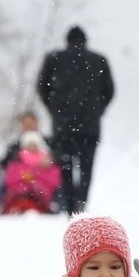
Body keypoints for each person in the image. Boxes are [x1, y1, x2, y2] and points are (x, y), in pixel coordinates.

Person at [37, 26, 115, 214]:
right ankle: (82, 201)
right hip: (90, 126)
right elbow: (109, 91)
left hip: (63, 126)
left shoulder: (54, 59)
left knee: (65, 166)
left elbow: (42, 88)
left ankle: (70, 205)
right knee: (86, 168)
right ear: (85, 41)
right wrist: (97, 111)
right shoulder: (99, 60)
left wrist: (54, 110)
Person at [0, 111, 54, 218]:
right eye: (26, 124)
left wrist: (51, 160)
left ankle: (64, 210)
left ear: (37, 124)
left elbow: (59, 158)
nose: (29, 127)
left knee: (60, 182)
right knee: (1, 181)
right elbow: (6, 161)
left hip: (42, 175)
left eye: (31, 124)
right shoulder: (15, 146)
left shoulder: (48, 142)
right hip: (19, 176)